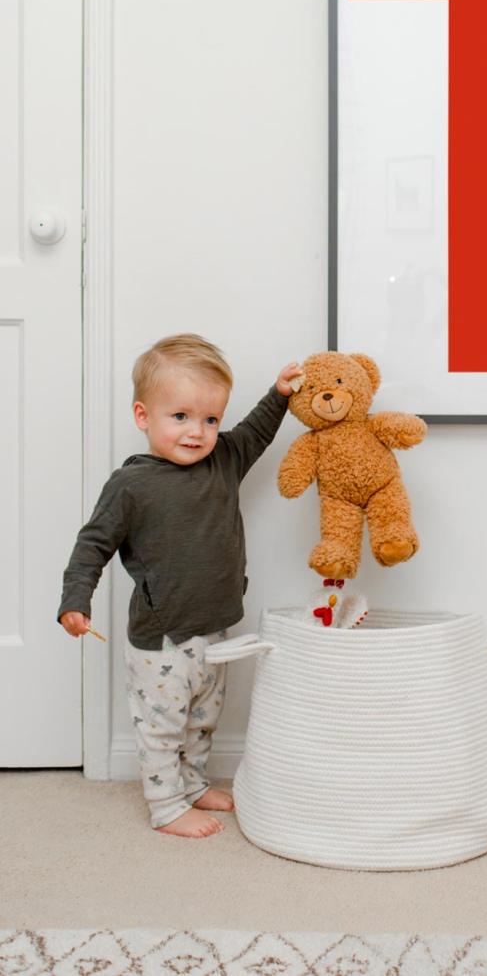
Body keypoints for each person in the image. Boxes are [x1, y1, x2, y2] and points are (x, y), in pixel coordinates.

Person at [57, 333, 301, 839]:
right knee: (163, 725)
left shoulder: (225, 460)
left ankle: (191, 785)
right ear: (143, 416)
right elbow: (92, 546)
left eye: (210, 419)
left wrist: (279, 395)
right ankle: (166, 803)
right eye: (181, 417)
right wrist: (75, 600)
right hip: (162, 637)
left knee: (203, 717)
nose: (198, 432)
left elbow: (255, 431)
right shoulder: (131, 486)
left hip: (214, 625)